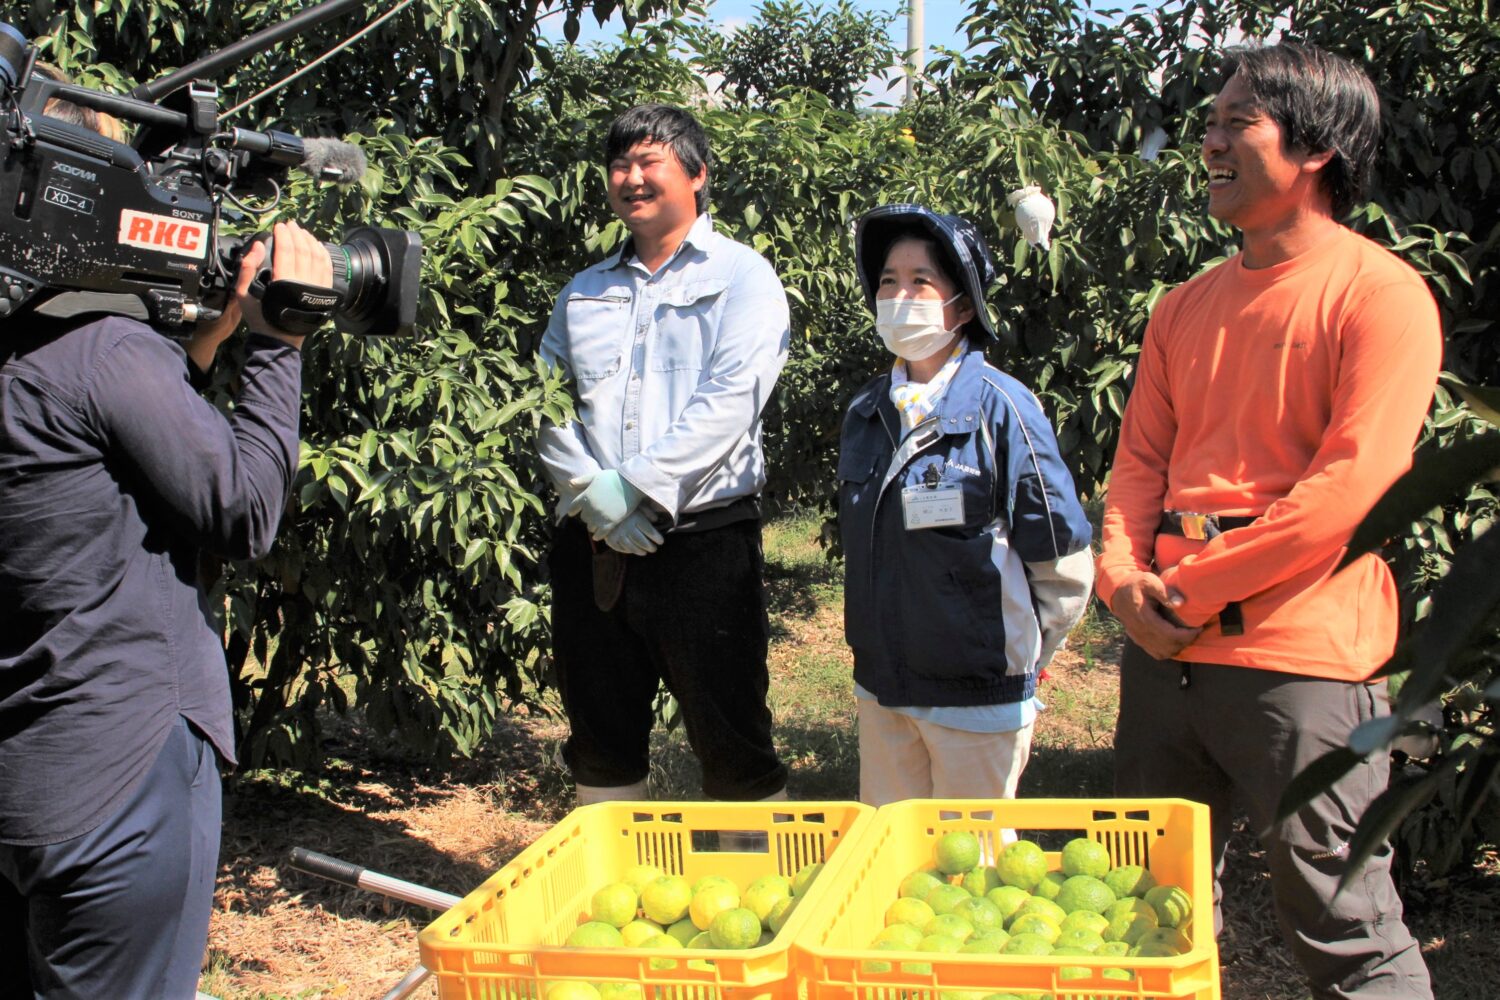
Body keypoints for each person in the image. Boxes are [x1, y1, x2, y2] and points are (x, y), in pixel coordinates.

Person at [1095, 43, 1437, 997]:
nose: (1207, 141)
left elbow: (1352, 488)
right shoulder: (1183, 308)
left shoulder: (1379, 295)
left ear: (1316, 146)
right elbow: (1137, 470)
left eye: (1234, 122)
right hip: (1166, 657)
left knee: (1345, 924)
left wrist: (1189, 588)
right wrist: (1123, 585)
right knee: (1147, 910)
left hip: (1301, 663)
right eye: (1207, 123)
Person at [0, 80, 334, 996]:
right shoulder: (103, 353)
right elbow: (244, 508)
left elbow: (85, 460)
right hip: (117, 771)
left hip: (30, 778)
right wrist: (277, 341)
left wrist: (197, 347)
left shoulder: (37, 356)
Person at [537, 104, 791, 804]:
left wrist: (640, 488)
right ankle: (608, 889)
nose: (632, 177)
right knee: (599, 731)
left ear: (697, 174)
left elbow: (733, 398)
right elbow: (546, 398)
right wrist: (594, 496)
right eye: (621, 164)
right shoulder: (583, 291)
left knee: (731, 731)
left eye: (650, 161)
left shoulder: (744, 277)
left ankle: (757, 896)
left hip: (702, 540)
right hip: (592, 541)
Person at [838, 204, 1094, 806]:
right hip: (883, 691)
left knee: (971, 872)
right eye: (888, 282)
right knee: (892, 868)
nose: (901, 296)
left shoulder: (1002, 408)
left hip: (975, 699)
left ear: (964, 302)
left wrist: (1019, 658)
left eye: (921, 280)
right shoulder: (865, 411)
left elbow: (1062, 565)